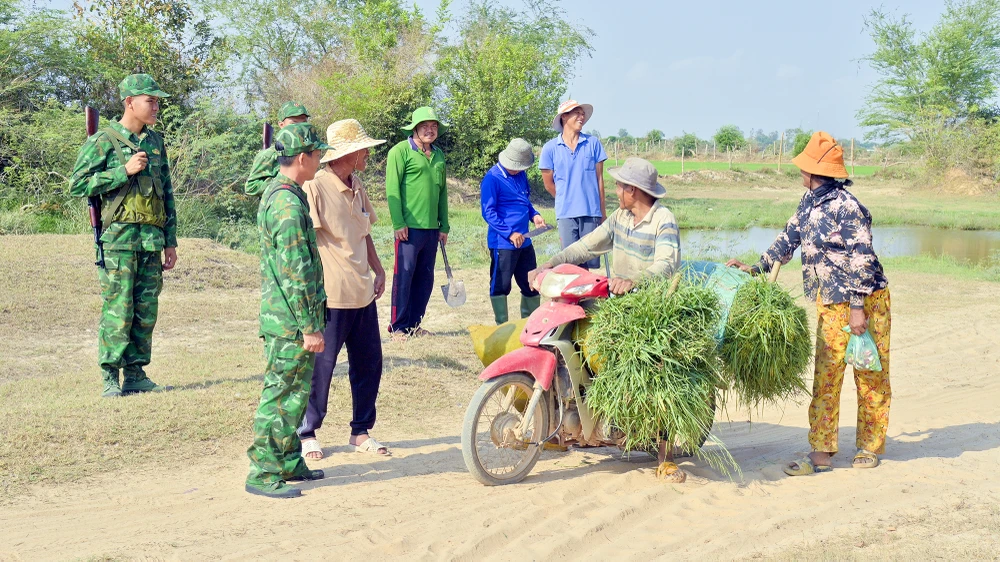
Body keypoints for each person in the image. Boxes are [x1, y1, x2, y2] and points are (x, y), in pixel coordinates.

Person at [726, 131, 891, 476]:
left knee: (869, 373)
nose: (799, 170)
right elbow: (789, 238)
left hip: (866, 301)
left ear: (817, 171)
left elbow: (861, 260)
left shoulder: (849, 209)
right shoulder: (808, 202)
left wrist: (858, 308)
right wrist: (756, 267)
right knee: (826, 375)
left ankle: (869, 445)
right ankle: (821, 450)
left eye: (803, 165)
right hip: (829, 302)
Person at [527, 156, 685, 481]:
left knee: (653, 369)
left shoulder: (662, 220)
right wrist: (550, 264)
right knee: (574, 331)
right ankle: (571, 420)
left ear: (634, 190)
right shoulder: (619, 218)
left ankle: (666, 455)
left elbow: (667, 264)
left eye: (619, 186)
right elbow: (585, 246)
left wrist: (636, 281)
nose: (615, 190)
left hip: (653, 306)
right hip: (619, 301)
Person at [70, 73, 177, 398]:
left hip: (151, 241)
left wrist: (170, 240)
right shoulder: (103, 140)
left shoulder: (156, 142)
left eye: (157, 101)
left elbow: (167, 192)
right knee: (119, 308)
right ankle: (109, 377)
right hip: (118, 240)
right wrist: (123, 171)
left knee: (146, 310)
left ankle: (135, 373)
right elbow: (77, 184)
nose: (156, 106)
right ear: (130, 102)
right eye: (150, 100)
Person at [245, 122, 331, 499]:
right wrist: (311, 326)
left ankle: (288, 460)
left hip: (289, 318)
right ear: (302, 158)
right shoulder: (285, 202)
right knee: (280, 394)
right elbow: (296, 271)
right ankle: (263, 471)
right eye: (317, 155)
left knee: (296, 392)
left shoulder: (286, 193)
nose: (320, 161)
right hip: (290, 321)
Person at [297, 119, 390, 459]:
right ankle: (307, 432)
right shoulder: (316, 187)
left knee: (369, 364)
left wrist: (378, 270)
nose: (367, 153)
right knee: (322, 368)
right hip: (332, 295)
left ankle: (361, 431)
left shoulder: (357, 184)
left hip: (362, 292)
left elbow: (363, 234)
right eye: (363, 148)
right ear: (346, 154)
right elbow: (307, 242)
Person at [385, 106, 450, 340]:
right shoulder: (400, 152)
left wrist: (444, 226)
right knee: (404, 276)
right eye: (425, 126)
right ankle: (398, 326)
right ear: (415, 129)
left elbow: (442, 193)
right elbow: (392, 189)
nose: (429, 131)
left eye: (433, 127)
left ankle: (414, 324)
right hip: (408, 229)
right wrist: (398, 222)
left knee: (425, 279)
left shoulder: (439, 155)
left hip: (432, 228)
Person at [480, 138, 546, 325]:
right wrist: (509, 233)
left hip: (525, 241)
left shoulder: (521, 176)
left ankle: (530, 326)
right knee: (501, 285)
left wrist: (535, 215)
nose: (518, 170)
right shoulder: (492, 179)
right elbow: (488, 212)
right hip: (503, 243)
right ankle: (503, 327)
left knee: (531, 282)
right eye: (516, 166)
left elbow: (524, 201)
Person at [539, 100, 608, 270]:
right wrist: (566, 197)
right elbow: (549, 184)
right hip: (566, 214)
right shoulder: (550, 149)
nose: (581, 116)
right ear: (564, 117)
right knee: (569, 262)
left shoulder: (593, 144)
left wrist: (603, 213)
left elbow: (600, 180)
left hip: (591, 212)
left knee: (590, 261)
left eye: (582, 113)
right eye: (576, 113)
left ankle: (588, 297)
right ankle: (574, 297)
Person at [244, 101, 310, 196]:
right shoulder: (269, 155)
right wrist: (282, 181)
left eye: (304, 123)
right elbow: (251, 188)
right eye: (294, 123)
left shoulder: (309, 152)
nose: (300, 127)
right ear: (281, 125)